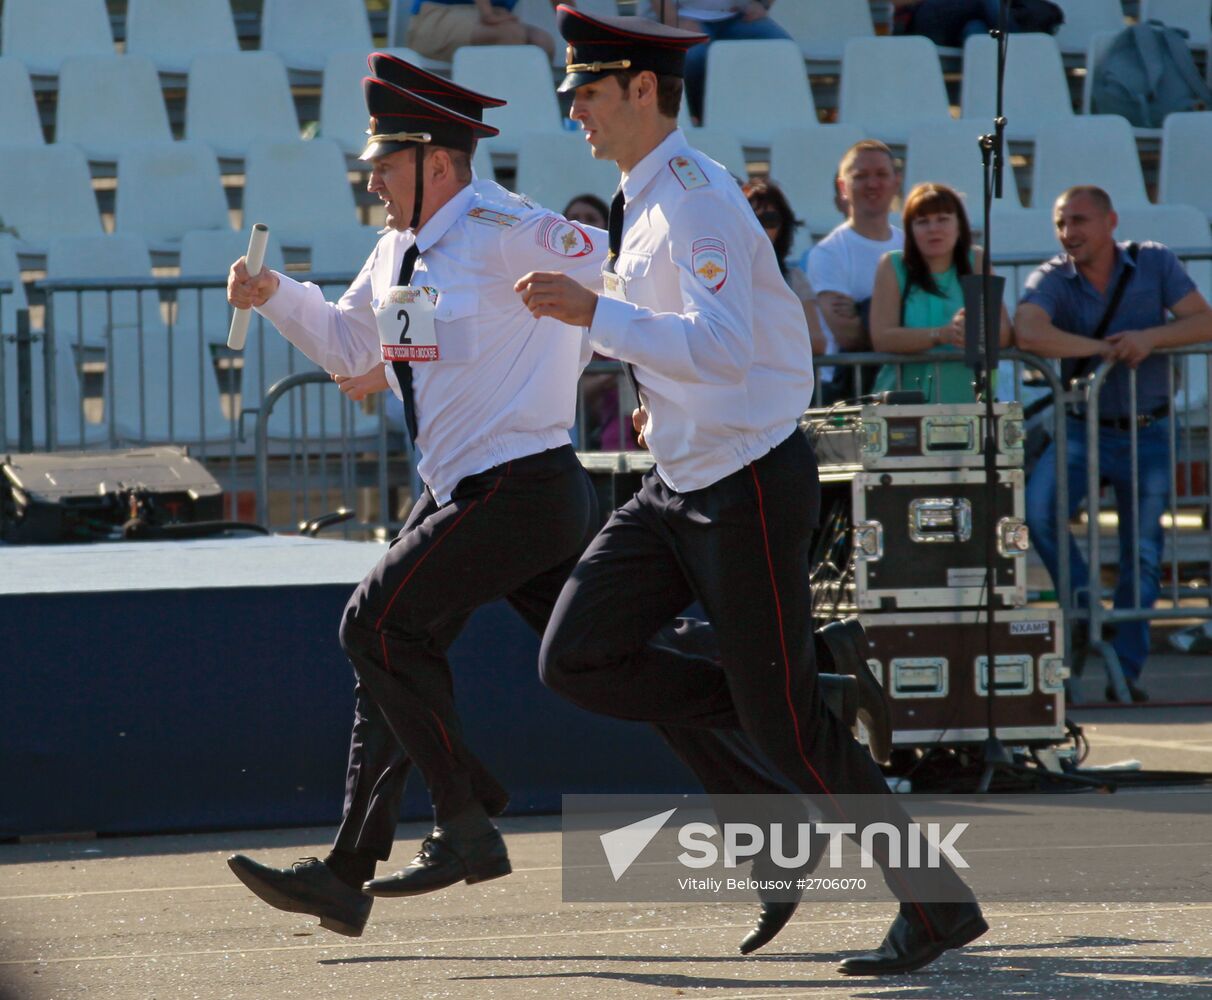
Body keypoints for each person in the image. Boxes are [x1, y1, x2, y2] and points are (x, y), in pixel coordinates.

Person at [223, 54, 881, 951]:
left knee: (378, 630)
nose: (370, 178)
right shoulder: (398, 251)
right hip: (467, 489)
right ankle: (350, 873)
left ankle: (463, 820)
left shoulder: (505, 227)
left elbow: (605, 272)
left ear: (440, 163)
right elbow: (356, 353)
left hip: (522, 485)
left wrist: (613, 350)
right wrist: (274, 299)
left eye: (385, 161)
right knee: (567, 667)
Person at [517, 5, 985, 975]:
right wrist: (655, 393)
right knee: (576, 657)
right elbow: (688, 342)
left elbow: (726, 350)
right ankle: (794, 678)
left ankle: (934, 904)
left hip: (747, 488)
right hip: (682, 482)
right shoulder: (646, 195)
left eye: (589, 95)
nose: (577, 116)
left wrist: (598, 316)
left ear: (643, 89)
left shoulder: (694, 196)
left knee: (792, 733)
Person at [1016, 185, 1212, 703]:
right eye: (1061, 223)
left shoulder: (1155, 261)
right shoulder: (1054, 275)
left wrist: (1149, 338)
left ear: (1110, 222)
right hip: (1083, 426)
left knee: (1142, 552)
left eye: (1078, 220)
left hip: (1148, 430)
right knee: (1039, 512)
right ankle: (1084, 612)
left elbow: (1205, 319)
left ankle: (1125, 668)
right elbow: (1029, 331)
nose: (1068, 232)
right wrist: (1105, 350)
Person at [870, 181, 1011, 401]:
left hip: (968, 402)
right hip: (904, 404)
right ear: (910, 230)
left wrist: (973, 329)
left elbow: (1003, 334)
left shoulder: (977, 260)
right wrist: (941, 334)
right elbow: (882, 338)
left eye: (943, 219)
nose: (933, 228)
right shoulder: (892, 265)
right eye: (922, 221)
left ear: (959, 225)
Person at [807, 140, 904, 403]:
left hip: (902, 387)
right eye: (861, 176)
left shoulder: (911, 246)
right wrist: (907, 324)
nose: (873, 184)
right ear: (842, 187)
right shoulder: (828, 253)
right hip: (846, 395)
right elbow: (847, 336)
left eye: (881, 174)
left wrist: (866, 312)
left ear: (897, 181)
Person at [651, 1, 792, 124]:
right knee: (693, 58)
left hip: (739, 16)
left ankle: (776, 116)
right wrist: (675, 21)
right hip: (686, 17)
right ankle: (698, 120)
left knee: (784, 48)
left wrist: (762, 5)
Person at [744, 178, 827, 355]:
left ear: (783, 226)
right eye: (751, 218)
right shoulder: (725, 275)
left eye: (770, 219)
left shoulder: (794, 278)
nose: (760, 228)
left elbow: (817, 342)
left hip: (778, 379)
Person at [407, 0, 559, 62]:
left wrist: (577, 33)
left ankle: (533, 111)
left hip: (491, 18)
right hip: (435, 16)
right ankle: (496, 113)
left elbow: (564, 6)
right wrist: (487, 13)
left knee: (543, 43)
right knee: (510, 35)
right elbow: (488, 18)